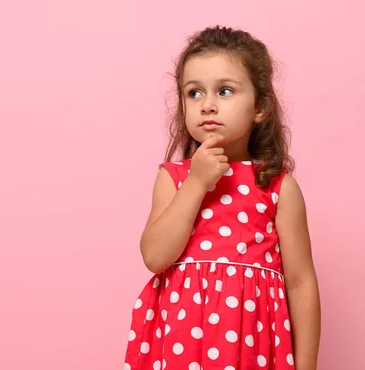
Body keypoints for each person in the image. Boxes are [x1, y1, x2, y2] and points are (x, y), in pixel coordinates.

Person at [122, 26, 321, 370]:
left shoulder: (277, 187)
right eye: (194, 93)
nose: (208, 105)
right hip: (181, 344)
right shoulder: (174, 178)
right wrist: (197, 183)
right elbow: (155, 257)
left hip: (251, 346)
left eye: (225, 91)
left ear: (260, 107)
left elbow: (301, 283)